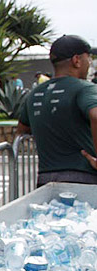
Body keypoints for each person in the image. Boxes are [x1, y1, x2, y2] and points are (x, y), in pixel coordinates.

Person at [16, 34, 97, 187]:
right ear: (77, 60)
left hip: (46, 180)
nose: (89, 63)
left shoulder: (33, 94)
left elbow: (22, 130)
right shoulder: (85, 89)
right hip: (84, 178)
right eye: (89, 58)